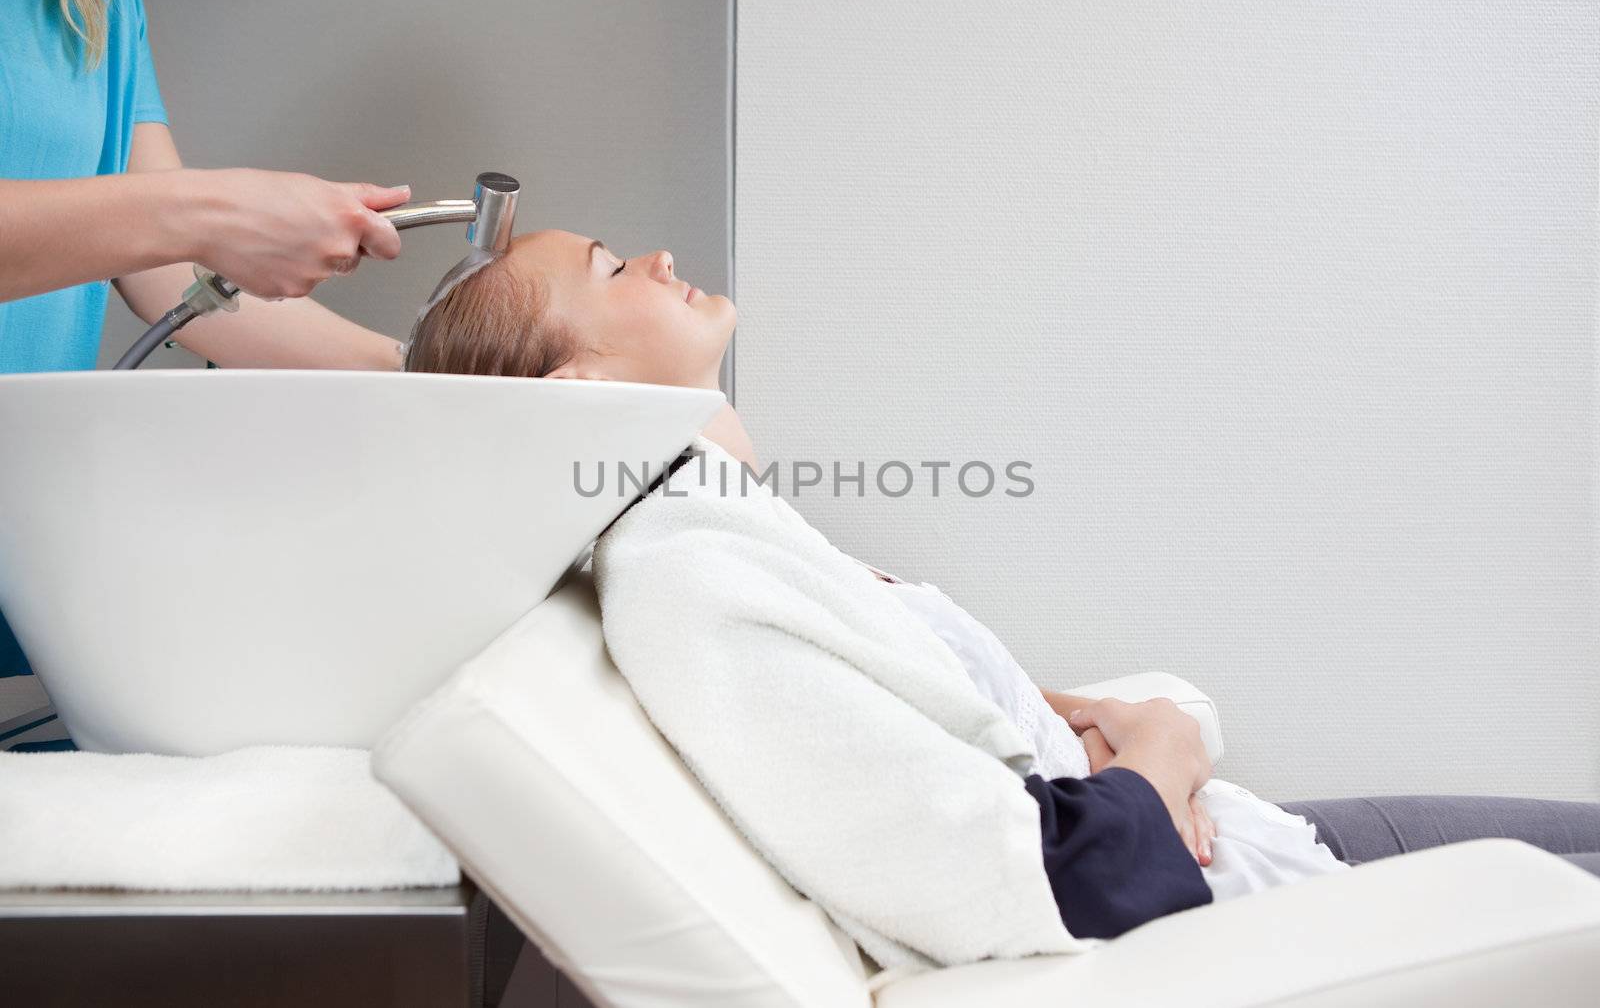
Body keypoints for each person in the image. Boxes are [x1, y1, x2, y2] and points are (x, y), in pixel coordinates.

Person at [402, 229, 1600, 940]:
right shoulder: (694, 581)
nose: (656, 256)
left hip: (1265, 839)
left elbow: (927, 708)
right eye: (612, 267)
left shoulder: (723, 528)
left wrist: (1099, 716)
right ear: (576, 387)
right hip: (1251, 893)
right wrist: (1164, 749)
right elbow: (1048, 874)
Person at [1, 0, 410, 720]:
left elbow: (166, 270)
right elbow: (170, 225)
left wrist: (418, 369)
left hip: (20, 535)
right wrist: (209, 212)